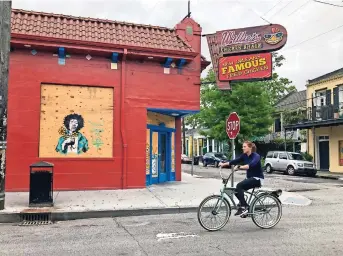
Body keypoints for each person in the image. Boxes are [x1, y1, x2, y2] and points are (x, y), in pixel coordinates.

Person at [219, 141, 264, 217]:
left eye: (244, 146)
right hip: (250, 178)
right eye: (242, 146)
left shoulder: (256, 156)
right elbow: (234, 161)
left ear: (250, 147)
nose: (242, 148)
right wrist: (224, 164)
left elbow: (251, 165)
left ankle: (244, 207)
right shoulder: (244, 156)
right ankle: (244, 206)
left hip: (257, 179)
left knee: (239, 186)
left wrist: (240, 167)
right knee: (237, 189)